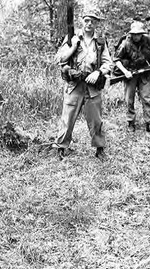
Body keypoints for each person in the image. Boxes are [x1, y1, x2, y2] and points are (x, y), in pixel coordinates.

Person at [53, 11, 113, 161]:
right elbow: (59, 59)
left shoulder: (100, 42)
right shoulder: (71, 38)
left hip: (92, 86)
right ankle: (61, 148)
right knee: (67, 118)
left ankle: (100, 149)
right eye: (87, 20)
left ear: (96, 23)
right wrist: (73, 47)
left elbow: (108, 63)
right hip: (74, 85)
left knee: (96, 120)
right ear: (82, 21)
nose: (89, 24)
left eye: (93, 21)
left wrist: (98, 72)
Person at [114, 21, 150, 133]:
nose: (137, 36)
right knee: (129, 99)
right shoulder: (125, 43)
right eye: (134, 34)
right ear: (131, 34)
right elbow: (117, 60)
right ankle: (131, 122)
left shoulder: (147, 40)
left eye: (139, 34)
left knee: (147, 98)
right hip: (130, 74)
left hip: (145, 72)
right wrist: (125, 72)